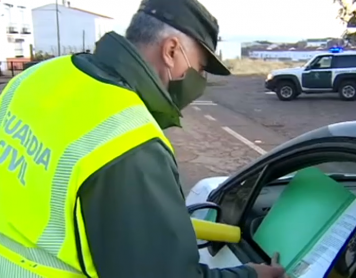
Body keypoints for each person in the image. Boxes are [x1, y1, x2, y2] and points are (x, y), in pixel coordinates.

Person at [0, 0, 285, 277]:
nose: (200, 80)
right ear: (171, 50)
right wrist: (252, 274)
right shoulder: (131, 143)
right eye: (200, 68)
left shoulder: (38, 75)